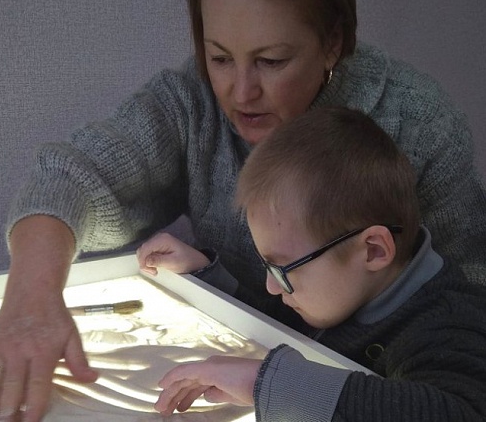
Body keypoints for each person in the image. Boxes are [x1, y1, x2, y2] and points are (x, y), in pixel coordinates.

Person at [0, 0, 486, 420]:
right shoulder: (194, 99)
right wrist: (31, 297)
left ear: (332, 44)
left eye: (271, 61)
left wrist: (270, 383)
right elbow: (74, 177)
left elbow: (451, 347)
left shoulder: (420, 125)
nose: (240, 92)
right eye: (219, 58)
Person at [152, 106, 486, 421]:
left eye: (282, 269)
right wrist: (203, 275)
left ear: (372, 251)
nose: (271, 287)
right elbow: (287, 327)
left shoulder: (450, 326)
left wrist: (268, 384)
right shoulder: (345, 293)